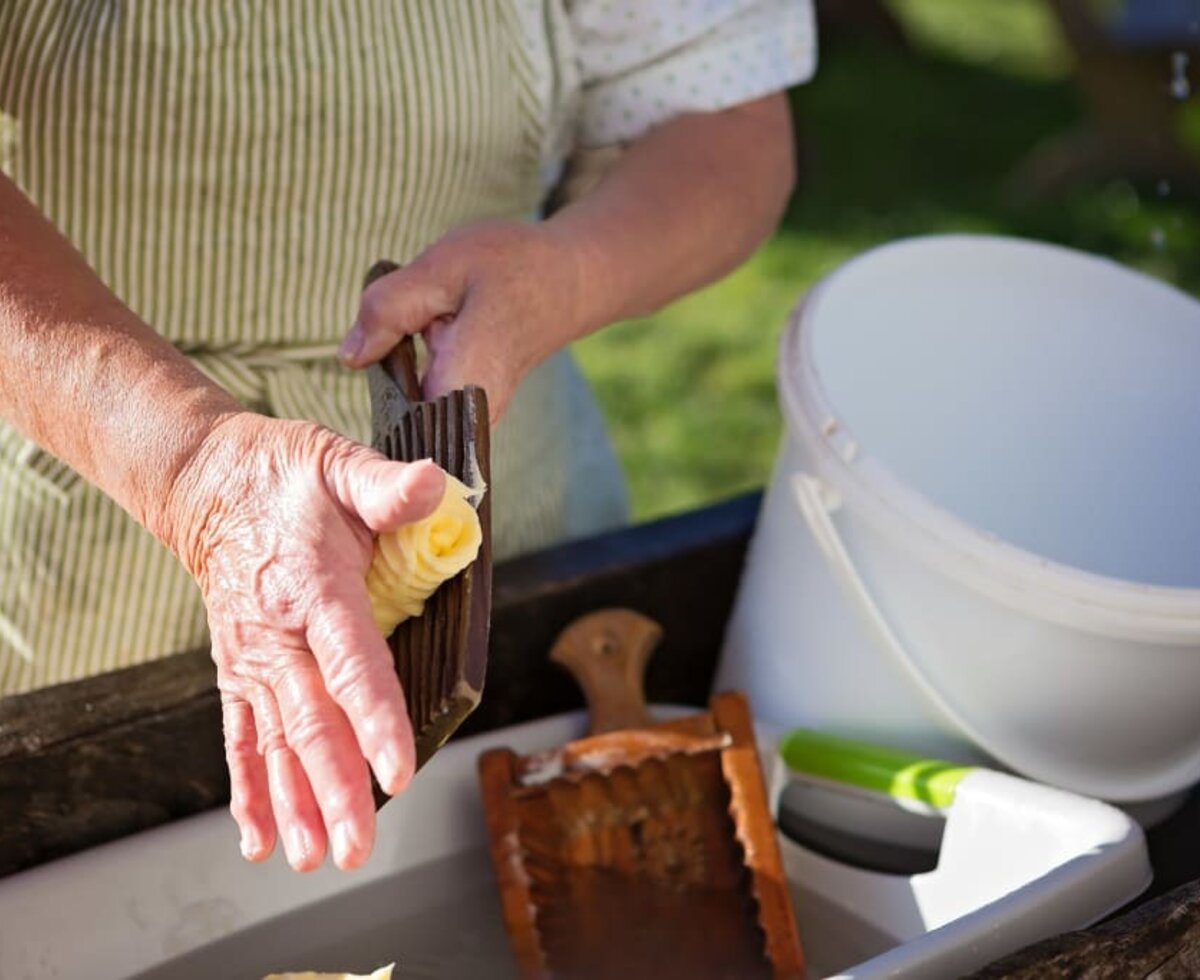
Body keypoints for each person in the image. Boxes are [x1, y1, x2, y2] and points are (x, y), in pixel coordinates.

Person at [0, 1, 815, 871]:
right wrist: (194, 467)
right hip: (79, 495)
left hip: (496, 477)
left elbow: (729, 118)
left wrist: (569, 273)